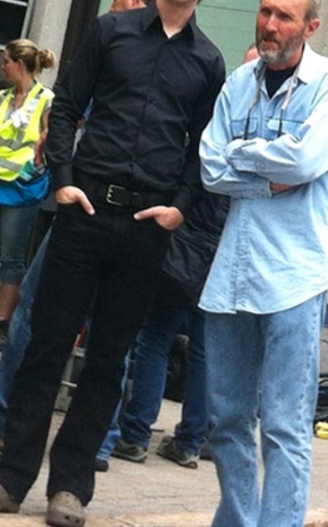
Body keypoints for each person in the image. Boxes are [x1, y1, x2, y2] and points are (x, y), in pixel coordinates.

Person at [0, 0, 226, 527]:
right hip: (84, 214)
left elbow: (203, 148)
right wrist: (62, 180)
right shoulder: (111, 32)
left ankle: (71, 488)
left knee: (109, 360)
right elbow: (66, 108)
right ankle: (8, 477)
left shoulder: (208, 62)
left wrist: (180, 206)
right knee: (45, 347)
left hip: (146, 226)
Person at [0, 0, 160, 461]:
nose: (109, 6)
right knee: (79, 322)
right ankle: (63, 431)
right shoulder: (116, 47)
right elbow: (72, 108)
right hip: (93, 207)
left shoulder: (147, 55)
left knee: (80, 321)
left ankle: (57, 430)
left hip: (111, 212)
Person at [198, 0, 328, 527]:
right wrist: (269, 176)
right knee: (226, 420)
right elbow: (210, 167)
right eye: (265, 11)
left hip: (297, 277)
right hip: (233, 275)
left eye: (284, 16)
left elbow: (305, 161)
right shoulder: (238, 82)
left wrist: (243, 154)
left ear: (310, 26)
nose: (269, 24)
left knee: (285, 427)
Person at [113, 190, 228, 469]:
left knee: (155, 337)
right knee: (203, 352)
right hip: (222, 255)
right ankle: (189, 442)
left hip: (185, 249)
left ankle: (135, 435)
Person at [0, 39, 56, 352]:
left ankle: (3, 323)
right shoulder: (0, 98)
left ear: (20, 63)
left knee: (11, 258)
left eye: (5, 61)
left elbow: (50, 141)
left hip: (20, 188)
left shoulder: (45, 100)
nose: (1, 66)